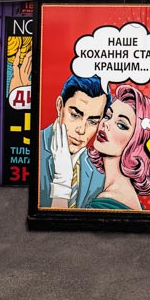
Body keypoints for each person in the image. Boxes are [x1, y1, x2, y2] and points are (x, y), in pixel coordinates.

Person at [85, 84, 150, 210]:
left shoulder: (109, 200)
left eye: (121, 125)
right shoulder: (124, 194)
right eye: (107, 116)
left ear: (138, 142)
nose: (106, 124)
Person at [40, 75, 110, 208]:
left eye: (93, 122)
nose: (81, 130)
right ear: (60, 106)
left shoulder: (98, 171)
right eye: (75, 115)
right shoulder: (35, 148)